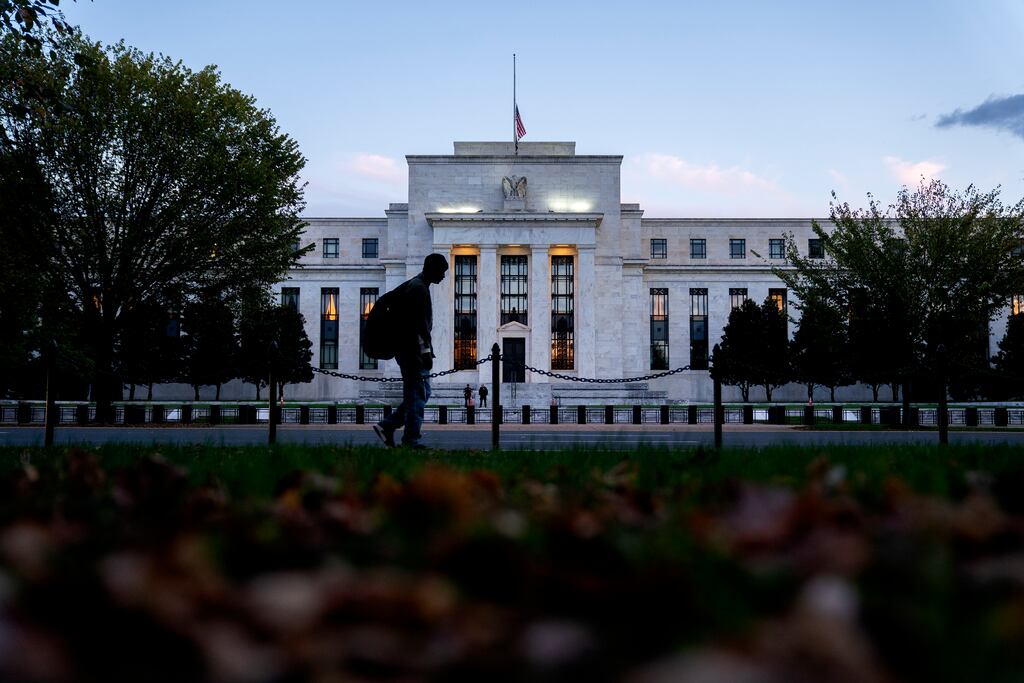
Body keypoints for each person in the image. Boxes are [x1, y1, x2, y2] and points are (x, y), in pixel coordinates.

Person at [373, 253, 449, 449]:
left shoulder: (416, 285)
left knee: (421, 393)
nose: (443, 276)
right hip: (411, 352)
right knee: (417, 395)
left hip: (408, 349)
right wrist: (426, 352)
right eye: (442, 271)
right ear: (432, 268)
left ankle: (387, 426)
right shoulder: (418, 288)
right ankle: (410, 440)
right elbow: (418, 326)